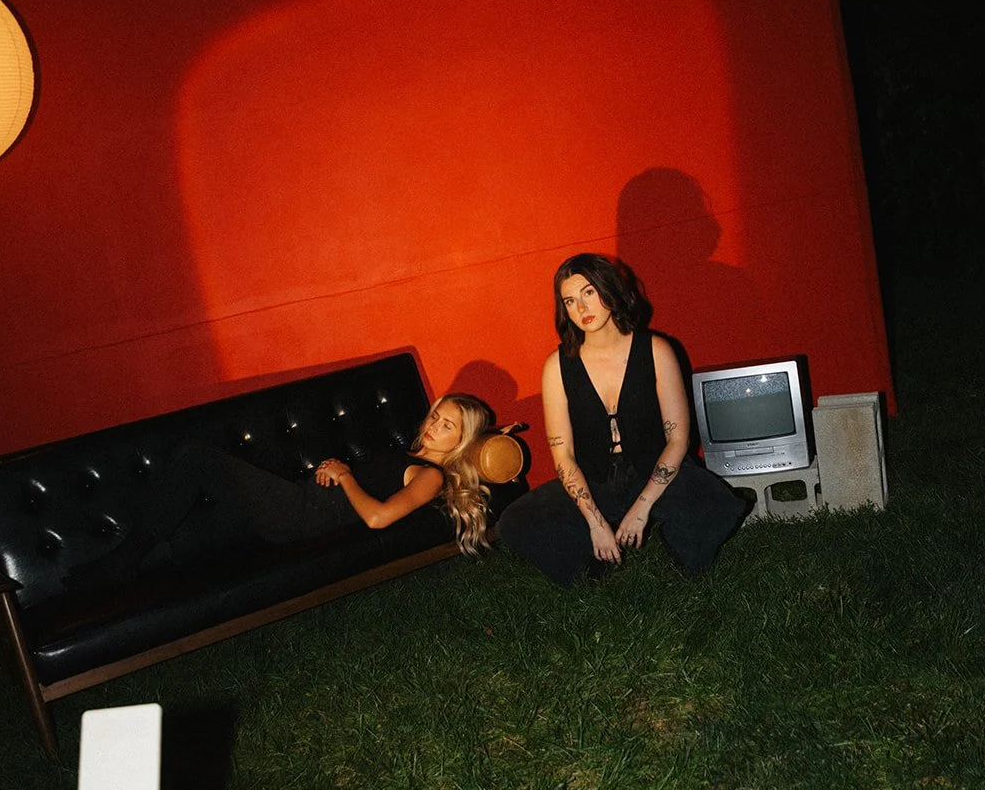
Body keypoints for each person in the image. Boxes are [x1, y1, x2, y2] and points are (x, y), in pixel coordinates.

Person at [66, 393, 494, 591]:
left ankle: (119, 562)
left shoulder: (430, 476)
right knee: (194, 534)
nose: (435, 425)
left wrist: (345, 476)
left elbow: (377, 517)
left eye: (448, 425)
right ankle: (101, 578)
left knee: (199, 457)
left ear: (460, 440)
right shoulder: (408, 453)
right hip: (300, 500)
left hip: (303, 514)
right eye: (438, 414)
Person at [496, 253, 746, 585]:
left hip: (652, 468)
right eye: (570, 300)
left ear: (610, 290)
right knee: (515, 522)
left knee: (715, 503)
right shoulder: (557, 366)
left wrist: (642, 508)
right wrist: (595, 522)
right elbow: (563, 454)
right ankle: (594, 568)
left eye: (588, 292)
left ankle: (677, 566)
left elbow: (678, 439)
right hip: (593, 478)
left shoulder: (656, 350)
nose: (581, 308)